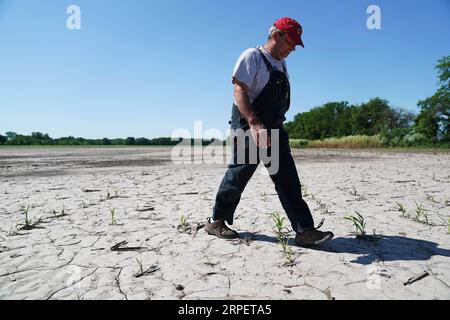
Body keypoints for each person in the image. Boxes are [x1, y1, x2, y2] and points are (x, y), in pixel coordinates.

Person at [205, 17, 334, 247]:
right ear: (277, 36)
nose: (294, 47)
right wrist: (254, 123)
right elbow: (239, 90)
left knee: (287, 178)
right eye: (291, 42)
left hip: (274, 128)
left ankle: (304, 230)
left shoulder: (282, 65)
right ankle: (216, 221)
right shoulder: (252, 57)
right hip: (248, 125)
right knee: (239, 174)